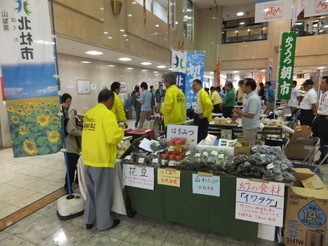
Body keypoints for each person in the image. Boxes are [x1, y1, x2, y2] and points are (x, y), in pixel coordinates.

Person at [82, 89, 124, 231]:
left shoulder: (89, 114)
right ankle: (104, 224)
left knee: (91, 192)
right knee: (103, 193)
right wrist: (121, 131)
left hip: (87, 159)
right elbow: (112, 137)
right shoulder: (107, 114)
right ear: (110, 100)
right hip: (101, 159)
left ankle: (89, 220)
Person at [64, 107, 89, 193]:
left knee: (80, 165)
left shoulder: (83, 122)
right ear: (81, 115)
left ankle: (78, 180)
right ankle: (67, 185)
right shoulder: (72, 120)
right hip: (71, 148)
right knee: (71, 167)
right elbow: (71, 130)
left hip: (79, 149)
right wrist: (84, 133)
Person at [232, 78, 261, 146]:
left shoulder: (253, 98)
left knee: (249, 146)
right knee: (247, 144)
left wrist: (239, 112)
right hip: (247, 125)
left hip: (251, 126)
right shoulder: (247, 97)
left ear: (249, 87)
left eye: (243, 85)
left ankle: (250, 156)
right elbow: (246, 111)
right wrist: (238, 113)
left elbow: (251, 115)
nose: (242, 87)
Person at [312, 76, 328, 163]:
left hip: (325, 120)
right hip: (319, 117)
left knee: (324, 140)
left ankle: (324, 158)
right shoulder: (323, 94)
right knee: (318, 138)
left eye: (322, 83)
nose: (320, 85)